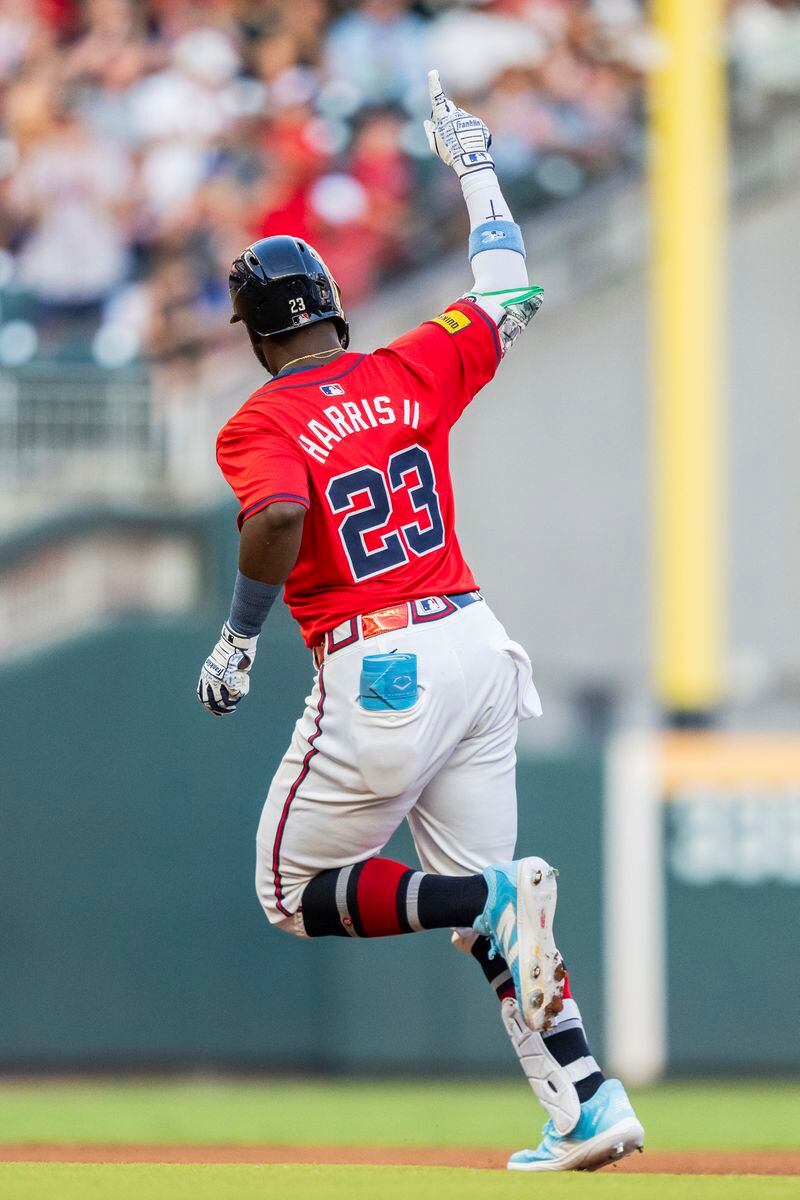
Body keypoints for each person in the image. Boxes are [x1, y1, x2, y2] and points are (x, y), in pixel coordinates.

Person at [198, 70, 644, 1172]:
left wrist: (240, 635)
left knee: (290, 891)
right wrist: (476, 164)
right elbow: (506, 287)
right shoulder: (408, 361)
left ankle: (494, 897)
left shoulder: (259, 419)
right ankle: (584, 1101)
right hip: (477, 648)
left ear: (255, 337)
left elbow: (281, 513)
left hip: (382, 661)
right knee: (492, 931)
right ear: (334, 312)